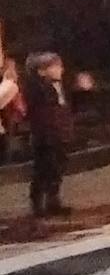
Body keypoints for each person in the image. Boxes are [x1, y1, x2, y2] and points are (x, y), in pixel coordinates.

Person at [21, 52, 74, 217]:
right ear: (42, 71)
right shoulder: (36, 88)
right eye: (55, 66)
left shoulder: (61, 86)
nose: (60, 69)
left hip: (60, 132)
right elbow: (35, 109)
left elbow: (67, 107)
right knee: (43, 168)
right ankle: (37, 203)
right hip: (44, 134)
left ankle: (53, 200)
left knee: (58, 167)